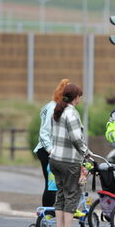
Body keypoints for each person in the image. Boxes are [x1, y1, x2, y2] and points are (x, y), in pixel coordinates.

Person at [49, 83, 90, 227]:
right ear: (76, 97)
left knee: (60, 194)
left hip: (55, 159)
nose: (80, 99)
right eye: (79, 96)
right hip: (69, 161)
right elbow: (75, 138)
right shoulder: (71, 113)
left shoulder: (57, 111)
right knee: (72, 194)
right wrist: (86, 152)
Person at [34, 79, 70, 207]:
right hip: (47, 151)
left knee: (54, 184)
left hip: (52, 151)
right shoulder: (53, 108)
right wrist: (50, 150)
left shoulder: (54, 106)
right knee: (52, 185)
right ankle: (46, 216)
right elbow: (44, 133)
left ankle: (49, 215)